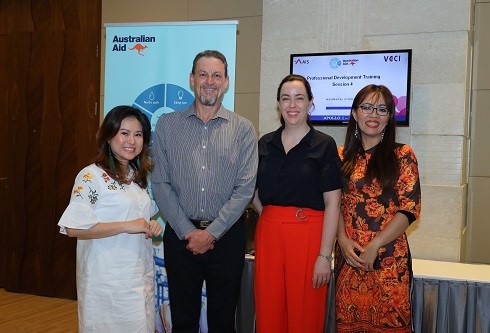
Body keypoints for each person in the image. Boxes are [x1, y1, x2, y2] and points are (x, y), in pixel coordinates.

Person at [151, 50, 258, 333]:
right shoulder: (167, 125)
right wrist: (189, 232)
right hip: (180, 237)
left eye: (216, 75)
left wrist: (211, 233)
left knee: (223, 322)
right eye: (203, 74)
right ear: (191, 79)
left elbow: (245, 189)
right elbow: (160, 183)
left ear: (226, 82)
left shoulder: (244, 129)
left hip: (227, 238)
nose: (209, 81)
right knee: (183, 321)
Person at [58, 105, 163, 332]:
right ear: (108, 136)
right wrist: (127, 226)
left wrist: (150, 225)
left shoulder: (137, 177)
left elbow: (140, 217)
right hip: (106, 281)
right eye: (124, 133)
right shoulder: (91, 176)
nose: (131, 141)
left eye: (138, 135)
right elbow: (72, 227)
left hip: (137, 278)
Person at [252, 74, 342, 333]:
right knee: (268, 311)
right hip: (269, 234)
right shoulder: (264, 143)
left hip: (309, 235)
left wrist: (325, 255)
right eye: (285, 98)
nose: (292, 105)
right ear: (278, 105)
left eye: (299, 98)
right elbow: (253, 192)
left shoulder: (324, 145)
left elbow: (333, 203)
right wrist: (269, 215)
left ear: (310, 103)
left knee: (305, 315)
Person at [334, 84, 421, 332]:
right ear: (354, 113)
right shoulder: (340, 157)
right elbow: (334, 204)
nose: (374, 115)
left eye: (382, 109)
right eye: (367, 107)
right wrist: (341, 239)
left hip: (388, 262)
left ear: (389, 117)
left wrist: (375, 245)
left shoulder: (403, 155)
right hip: (348, 259)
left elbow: (409, 209)